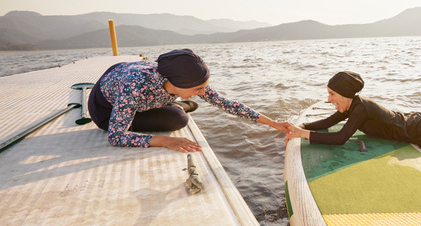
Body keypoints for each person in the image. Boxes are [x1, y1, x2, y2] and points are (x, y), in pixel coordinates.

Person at [88, 49, 291, 152]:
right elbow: (115, 137)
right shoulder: (135, 86)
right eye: (197, 89)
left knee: (183, 110)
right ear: (177, 83)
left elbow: (228, 104)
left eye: (203, 87)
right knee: (178, 119)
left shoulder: (182, 79)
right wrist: (166, 141)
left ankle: (180, 101)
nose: (203, 92)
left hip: (136, 89)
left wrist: (274, 124)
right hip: (105, 108)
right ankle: (178, 104)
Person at [286, 71, 421, 153]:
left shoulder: (361, 108)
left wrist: (302, 134)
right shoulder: (351, 105)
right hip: (414, 124)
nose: (329, 99)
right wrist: (299, 126)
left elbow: (339, 138)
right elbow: (327, 122)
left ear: (345, 94)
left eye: (332, 94)